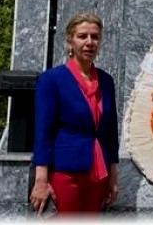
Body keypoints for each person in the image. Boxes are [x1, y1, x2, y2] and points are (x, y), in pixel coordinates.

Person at [30, 12, 119, 216]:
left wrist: (113, 175)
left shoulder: (106, 81)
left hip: (99, 173)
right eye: (82, 36)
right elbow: (43, 132)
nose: (89, 42)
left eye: (95, 37)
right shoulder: (52, 80)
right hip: (65, 172)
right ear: (70, 41)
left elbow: (111, 131)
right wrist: (41, 180)